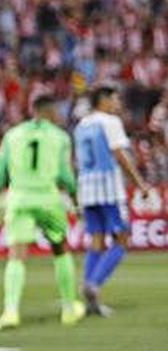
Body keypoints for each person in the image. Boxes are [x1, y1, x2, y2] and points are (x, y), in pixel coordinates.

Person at [0, 95, 85, 333]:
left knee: (16, 255)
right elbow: (66, 175)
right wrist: (75, 200)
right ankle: (69, 308)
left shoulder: (13, 134)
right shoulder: (60, 137)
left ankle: (10, 311)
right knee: (60, 249)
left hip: (19, 197)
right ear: (50, 111)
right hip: (47, 198)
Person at [73, 86, 152, 316]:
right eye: (115, 98)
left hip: (87, 188)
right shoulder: (110, 122)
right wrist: (140, 184)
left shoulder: (81, 125)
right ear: (104, 101)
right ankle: (93, 284)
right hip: (108, 188)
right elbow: (120, 155)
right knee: (122, 239)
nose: (118, 103)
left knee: (96, 240)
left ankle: (90, 297)